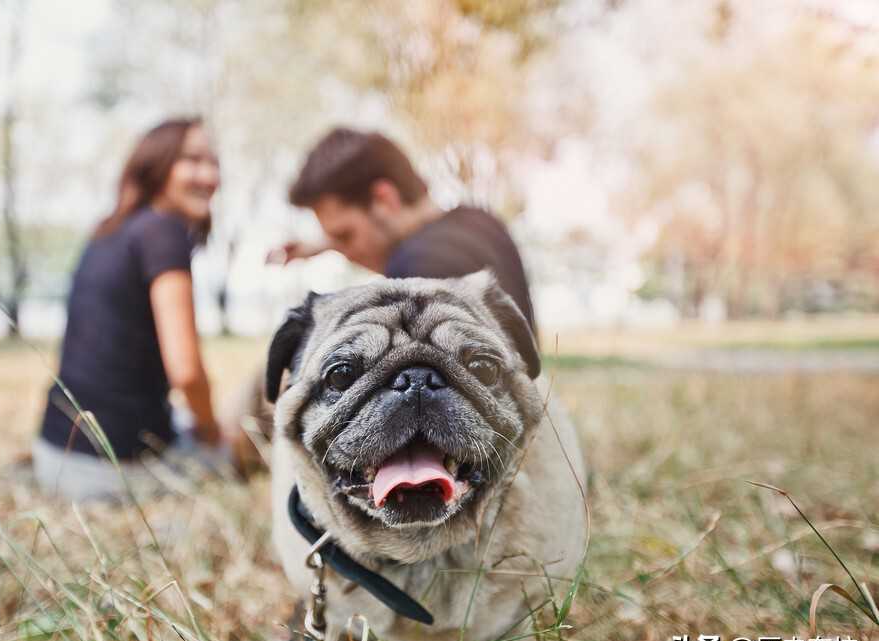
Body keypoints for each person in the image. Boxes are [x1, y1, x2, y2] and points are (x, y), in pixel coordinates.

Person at [33, 117, 230, 501]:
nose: (208, 175)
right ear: (155, 165)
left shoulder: (110, 230)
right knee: (239, 439)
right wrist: (212, 434)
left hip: (54, 454)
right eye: (191, 160)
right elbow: (187, 373)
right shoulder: (164, 232)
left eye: (213, 162)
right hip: (112, 472)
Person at [269, 127, 537, 331]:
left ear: (384, 199)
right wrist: (326, 243)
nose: (346, 253)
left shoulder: (414, 267)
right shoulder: (481, 221)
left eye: (345, 235)